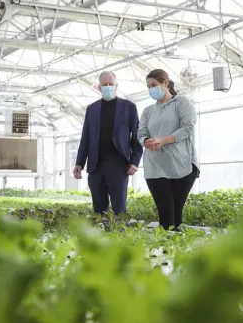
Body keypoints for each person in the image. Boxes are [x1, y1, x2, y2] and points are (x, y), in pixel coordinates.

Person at [73, 71, 143, 216]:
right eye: (105, 85)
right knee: (98, 209)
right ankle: (99, 236)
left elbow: (136, 136)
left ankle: (120, 236)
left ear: (116, 86)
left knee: (119, 209)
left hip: (118, 163)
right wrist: (79, 162)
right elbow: (85, 137)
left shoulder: (129, 107)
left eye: (111, 84)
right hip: (95, 165)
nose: (108, 87)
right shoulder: (92, 109)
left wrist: (134, 161)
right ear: (99, 87)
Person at [137, 69, 199, 231]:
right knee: (166, 214)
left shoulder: (182, 103)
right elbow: (141, 132)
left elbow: (187, 128)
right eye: (148, 86)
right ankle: (164, 252)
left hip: (181, 165)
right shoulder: (148, 111)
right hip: (155, 167)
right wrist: (146, 141)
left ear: (165, 83)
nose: (151, 89)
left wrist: (163, 140)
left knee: (176, 215)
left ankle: (175, 252)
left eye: (154, 85)